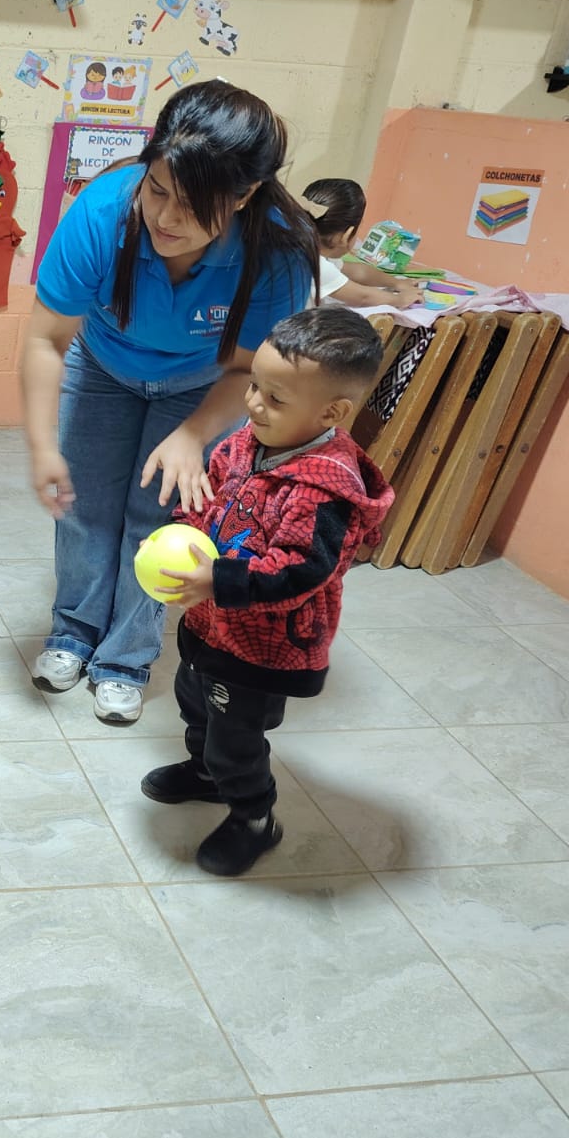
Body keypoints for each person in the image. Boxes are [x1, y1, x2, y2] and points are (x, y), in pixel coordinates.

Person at [21, 79, 318, 725]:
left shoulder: (277, 252)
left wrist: (194, 433)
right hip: (102, 366)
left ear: (243, 196)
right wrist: (43, 445)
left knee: (156, 520)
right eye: (156, 189)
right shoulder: (103, 212)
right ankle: (72, 633)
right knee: (82, 507)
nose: (165, 218)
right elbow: (47, 340)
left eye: (192, 206)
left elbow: (247, 368)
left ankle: (124, 659)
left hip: (203, 384)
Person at [142, 307, 394, 875]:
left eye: (275, 398)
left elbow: (302, 571)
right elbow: (206, 499)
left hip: (263, 646)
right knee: (193, 699)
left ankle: (254, 818)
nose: (254, 404)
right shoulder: (245, 442)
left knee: (235, 738)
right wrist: (179, 532)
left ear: (332, 412)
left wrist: (220, 580)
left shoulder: (326, 489)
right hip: (212, 623)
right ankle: (205, 773)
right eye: (254, 385)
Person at [302, 178, 419, 310]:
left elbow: (359, 272)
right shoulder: (315, 265)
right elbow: (363, 297)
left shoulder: (309, 250)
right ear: (346, 236)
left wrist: (397, 283)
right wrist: (400, 299)